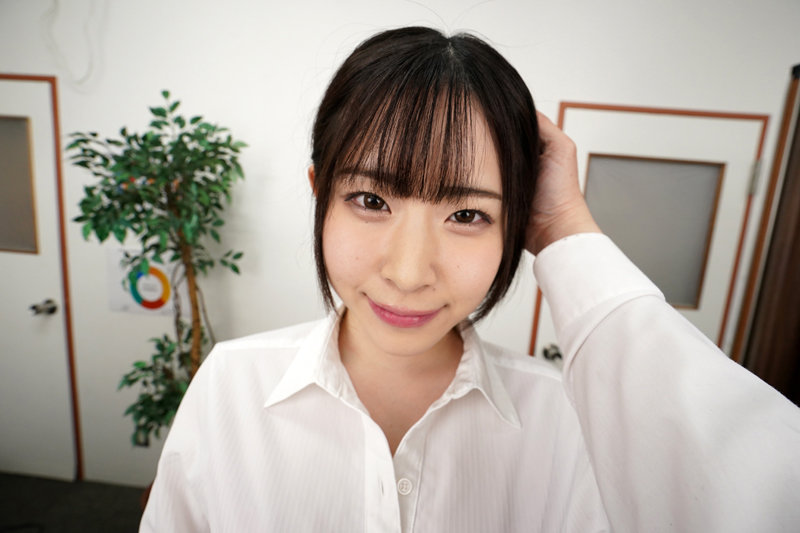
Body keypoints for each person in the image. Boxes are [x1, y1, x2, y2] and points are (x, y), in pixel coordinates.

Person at [140, 27, 800, 532]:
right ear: (320, 194)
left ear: (517, 222)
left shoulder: (567, 419)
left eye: (466, 214)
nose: (407, 272)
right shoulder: (229, 386)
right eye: (371, 200)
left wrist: (566, 226)